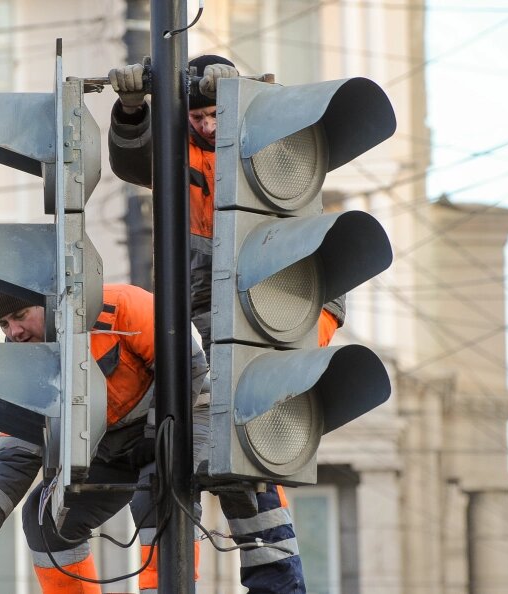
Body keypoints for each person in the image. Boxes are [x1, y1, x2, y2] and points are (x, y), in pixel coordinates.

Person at [108, 54, 345, 594]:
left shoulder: (268, 136)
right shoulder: (177, 150)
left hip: (295, 298)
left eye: (218, 113)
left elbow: (295, 127)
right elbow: (135, 159)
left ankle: (278, 580)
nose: (209, 126)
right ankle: (272, 581)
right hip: (212, 309)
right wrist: (130, 111)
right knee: (229, 446)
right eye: (199, 118)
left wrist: (253, 95)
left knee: (247, 432)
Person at [0, 283, 209, 594]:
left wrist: (158, 429)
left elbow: (186, 361)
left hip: (184, 413)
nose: (14, 331)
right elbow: (18, 448)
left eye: (20, 315)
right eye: (4, 324)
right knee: (45, 517)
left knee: (158, 488)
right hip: (111, 445)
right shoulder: (23, 366)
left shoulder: (120, 305)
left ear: (48, 303)